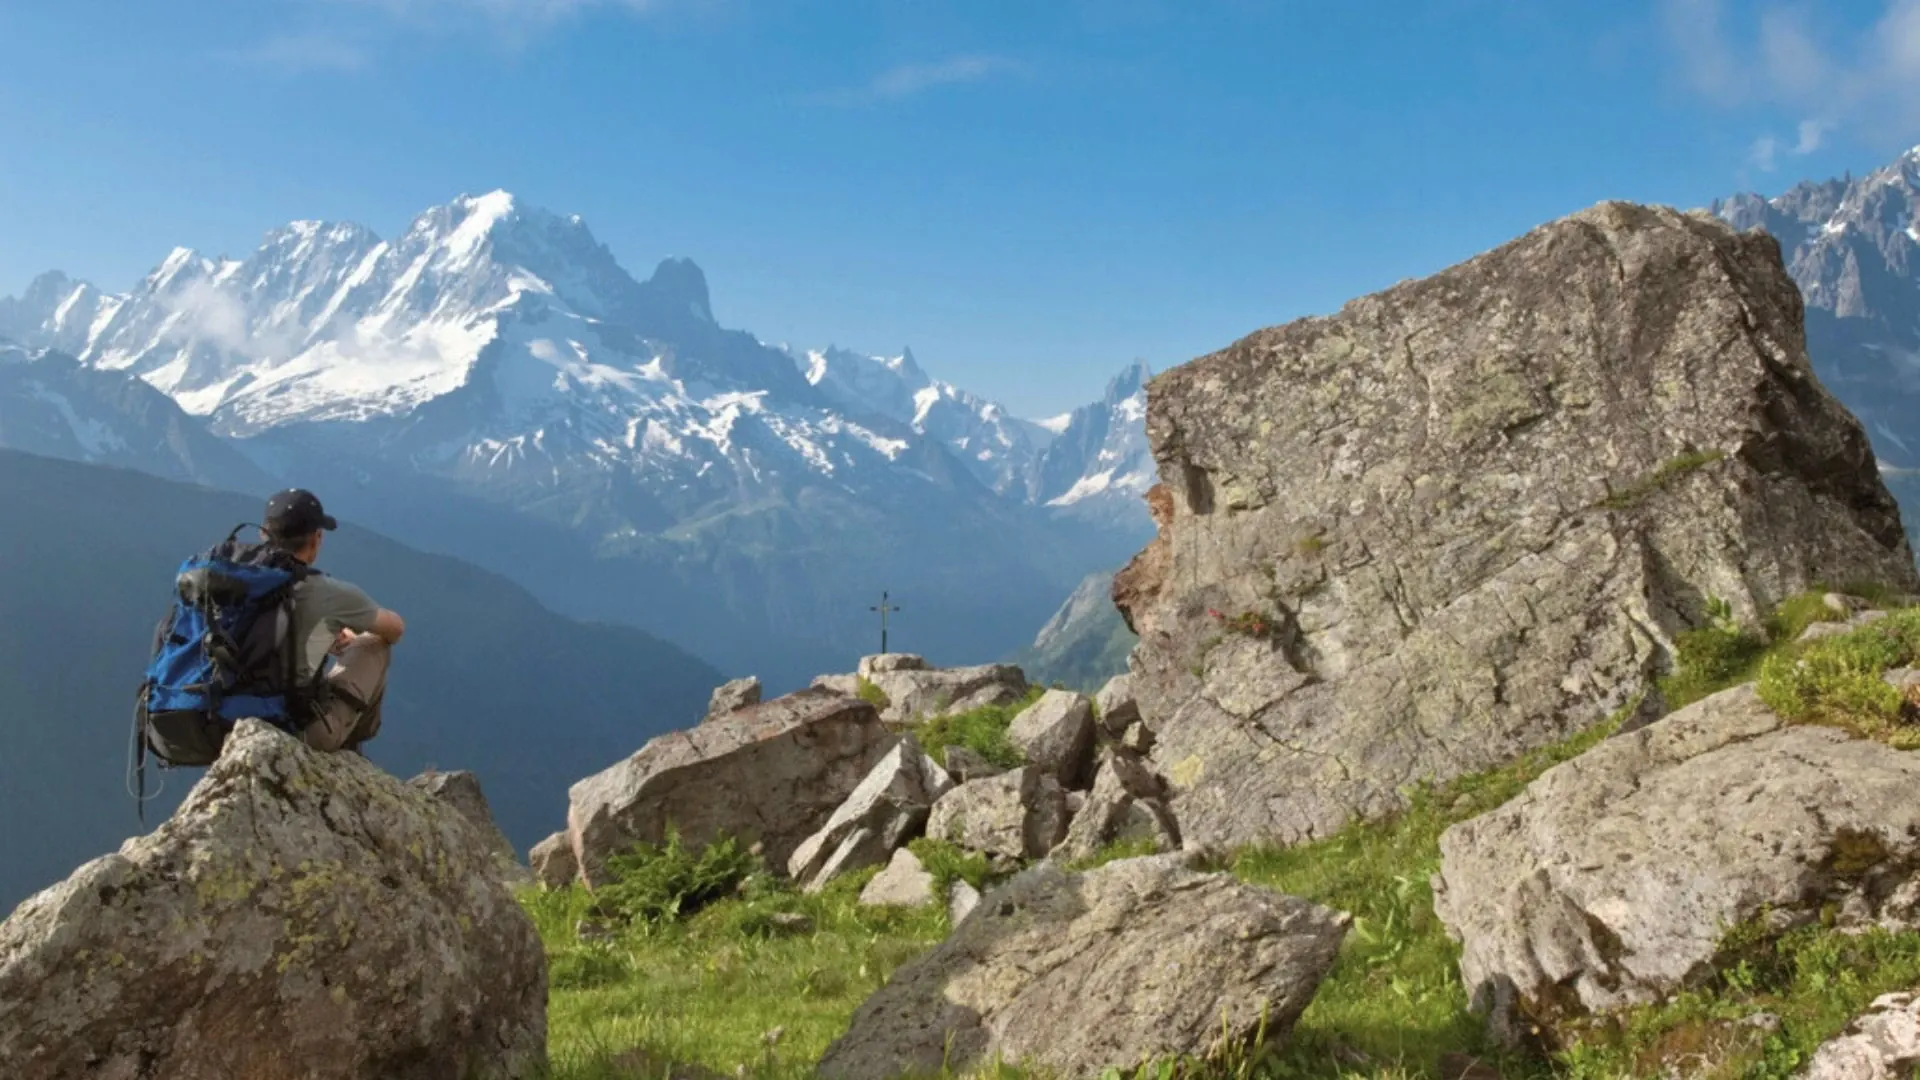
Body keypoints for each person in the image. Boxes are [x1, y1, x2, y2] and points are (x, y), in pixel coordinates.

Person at [261, 488, 406, 754]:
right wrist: (348, 633)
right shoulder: (325, 592)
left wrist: (322, 635)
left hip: (224, 720)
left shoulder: (228, 579)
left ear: (263, 534)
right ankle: (349, 747)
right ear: (317, 539)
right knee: (374, 643)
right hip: (294, 730)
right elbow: (394, 628)